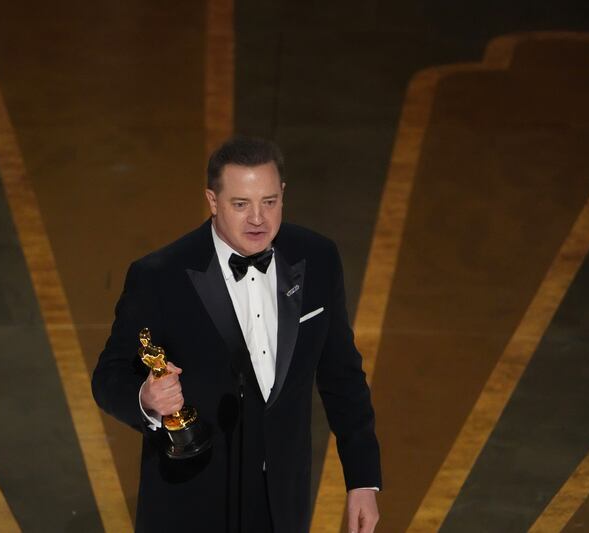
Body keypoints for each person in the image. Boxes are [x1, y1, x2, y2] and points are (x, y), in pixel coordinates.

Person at [92, 137, 381, 532]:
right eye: (241, 204)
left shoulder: (318, 257)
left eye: (269, 202)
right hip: (190, 504)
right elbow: (109, 376)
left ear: (283, 195)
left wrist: (363, 480)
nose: (258, 219)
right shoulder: (160, 276)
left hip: (281, 503)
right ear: (213, 201)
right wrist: (145, 397)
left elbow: (342, 377)